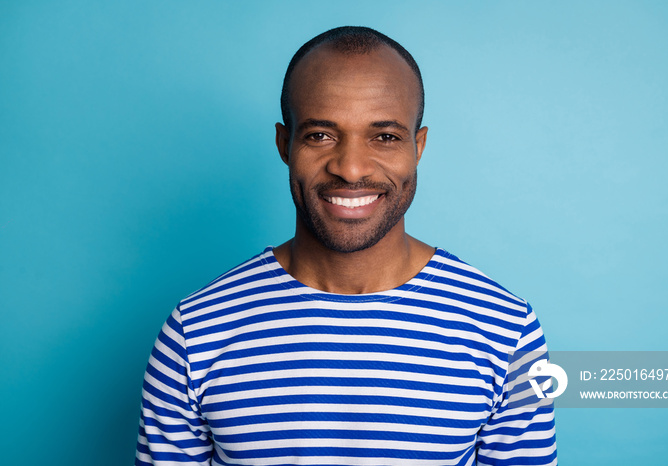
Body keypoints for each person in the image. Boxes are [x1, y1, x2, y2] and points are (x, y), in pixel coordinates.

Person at [135, 26, 557, 466]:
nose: (351, 169)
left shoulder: (507, 331)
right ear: (285, 144)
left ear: (418, 146)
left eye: (385, 137)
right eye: (320, 135)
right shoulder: (195, 334)